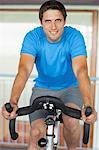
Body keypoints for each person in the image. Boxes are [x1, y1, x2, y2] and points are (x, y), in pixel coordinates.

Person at [2, 0, 97, 150]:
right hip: (42, 88)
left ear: (64, 21)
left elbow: (81, 71)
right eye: (48, 21)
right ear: (41, 22)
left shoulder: (74, 37)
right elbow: (24, 70)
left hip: (70, 89)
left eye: (58, 20)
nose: (53, 27)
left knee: (72, 123)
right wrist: (13, 102)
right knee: (35, 132)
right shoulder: (33, 37)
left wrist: (88, 104)